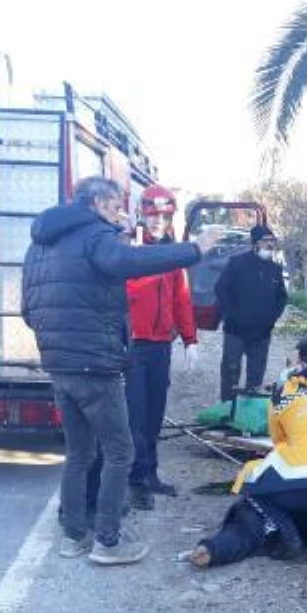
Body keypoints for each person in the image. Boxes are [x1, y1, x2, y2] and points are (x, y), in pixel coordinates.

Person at [22, 176, 223, 566]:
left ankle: (74, 536)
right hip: (96, 364)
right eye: (116, 205)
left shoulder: (40, 244)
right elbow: (131, 262)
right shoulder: (96, 237)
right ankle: (108, 542)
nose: (119, 214)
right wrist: (195, 248)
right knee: (119, 451)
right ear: (97, 202)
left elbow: (29, 311)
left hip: (59, 364)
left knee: (79, 453)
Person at [190, 336, 307, 573]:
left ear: (302, 363)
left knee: (252, 478)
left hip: (300, 486)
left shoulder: (286, 391)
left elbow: (278, 440)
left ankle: (285, 530)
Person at [85, 185, 200, 513]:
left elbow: (182, 299)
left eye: (164, 217)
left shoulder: (173, 254)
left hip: (161, 345)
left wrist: (190, 339)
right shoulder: (127, 249)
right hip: (133, 347)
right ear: (142, 214)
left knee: (153, 414)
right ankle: (134, 481)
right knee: (134, 416)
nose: (158, 223)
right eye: (153, 216)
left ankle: (149, 473)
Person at [215, 224, 288, 401]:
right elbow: (221, 289)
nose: (270, 245)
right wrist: (231, 315)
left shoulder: (275, 269)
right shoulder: (237, 263)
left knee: (256, 376)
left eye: (272, 241)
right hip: (235, 330)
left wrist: (271, 319)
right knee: (231, 371)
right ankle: (227, 409)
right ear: (255, 243)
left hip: (261, 333)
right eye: (266, 241)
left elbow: (282, 297)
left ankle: (248, 413)